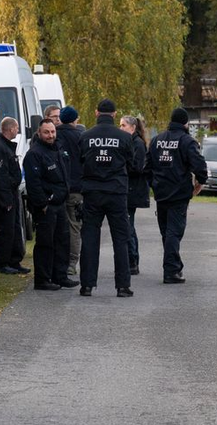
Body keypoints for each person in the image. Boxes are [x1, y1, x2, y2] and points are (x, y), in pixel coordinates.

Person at [78, 98, 137, 297]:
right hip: (116, 192)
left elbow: (80, 162)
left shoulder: (85, 136)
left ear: (96, 113)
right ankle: (122, 286)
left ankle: (87, 285)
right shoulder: (125, 138)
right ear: (114, 114)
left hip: (92, 192)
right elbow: (131, 163)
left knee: (90, 239)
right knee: (121, 239)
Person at [146, 107, 208, 284]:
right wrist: (200, 182)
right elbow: (199, 165)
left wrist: (154, 184)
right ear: (185, 123)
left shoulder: (157, 140)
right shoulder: (187, 141)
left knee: (166, 232)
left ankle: (174, 265)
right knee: (174, 231)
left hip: (161, 193)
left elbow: (147, 166)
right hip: (179, 193)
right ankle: (171, 270)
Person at [23, 118, 73, 291]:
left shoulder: (58, 149)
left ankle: (60, 276)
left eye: (52, 131)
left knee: (62, 241)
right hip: (46, 207)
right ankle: (42, 279)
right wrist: (43, 204)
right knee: (45, 243)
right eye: (47, 132)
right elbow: (33, 183)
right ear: (39, 133)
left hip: (60, 203)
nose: (50, 135)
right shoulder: (34, 154)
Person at [0, 117, 28, 275]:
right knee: (6, 229)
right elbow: (0, 175)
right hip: (5, 193)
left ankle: (14, 260)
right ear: (10, 129)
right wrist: (6, 199)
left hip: (11, 192)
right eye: (16, 128)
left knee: (15, 227)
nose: (17, 131)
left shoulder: (6, 147)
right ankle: (2, 262)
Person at [56, 106, 86, 278]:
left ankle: (58, 260)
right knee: (74, 226)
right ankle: (72, 263)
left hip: (58, 187)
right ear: (75, 119)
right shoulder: (80, 136)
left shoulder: (54, 135)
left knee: (58, 226)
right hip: (75, 188)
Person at [120, 115, 149, 276]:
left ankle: (133, 261)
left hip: (132, 190)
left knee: (128, 227)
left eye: (123, 125)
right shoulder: (131, 142)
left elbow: (137, 167)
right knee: (128, 226)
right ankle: (131, 260)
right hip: (128, 189)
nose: (121, 128)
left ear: (132, 127)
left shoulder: (137, 144)